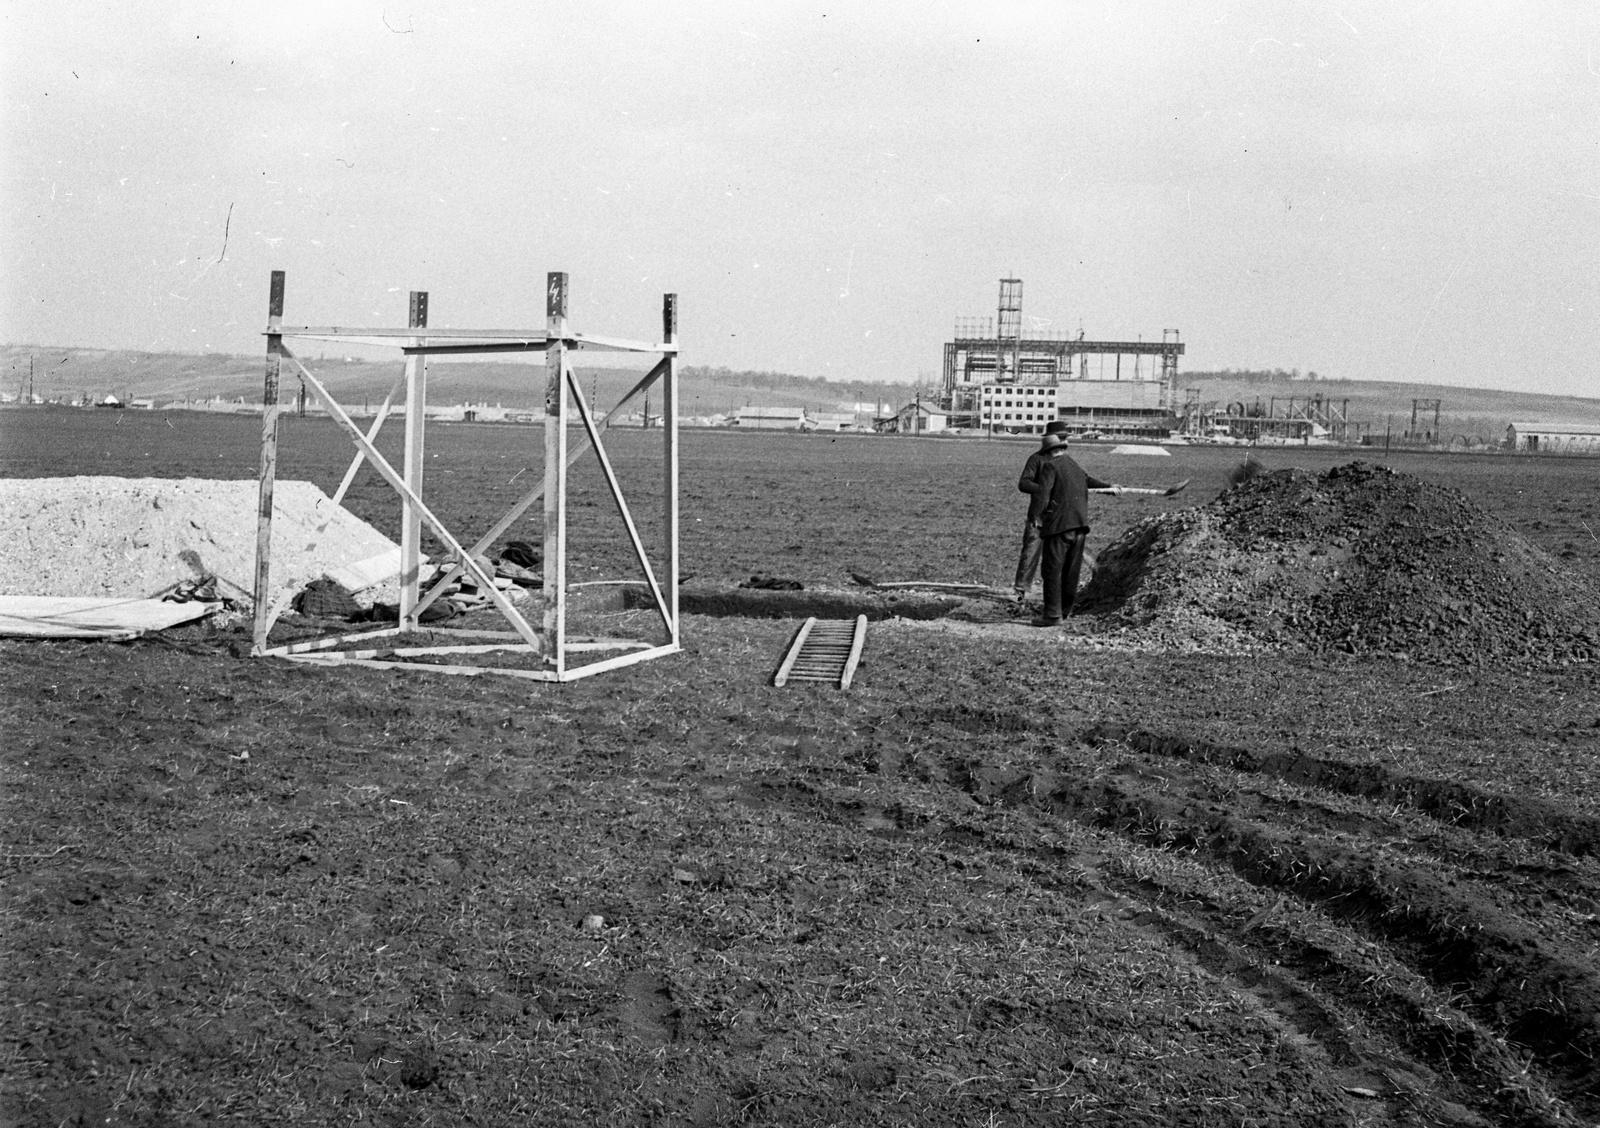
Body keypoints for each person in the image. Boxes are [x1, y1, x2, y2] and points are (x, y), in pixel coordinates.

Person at [1025, 433, 1118, 626]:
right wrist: (1109, 487)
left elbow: (1043, 494)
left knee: (1051, 570)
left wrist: (1036, 516)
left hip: (1059, 527)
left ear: (1048, 452)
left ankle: (1052, 615)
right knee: (1071, 571)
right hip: (1080, 526)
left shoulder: (1050, 466)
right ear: (1062, 448)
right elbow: (1089, 481)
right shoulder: (1074, 466)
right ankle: (1065, 611)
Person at [1012, 421, 1071, 601]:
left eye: (1064, 438)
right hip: (1039, 516)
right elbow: (1024, 483)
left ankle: (1056, 595)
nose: (1063, 442)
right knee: (1030, 552)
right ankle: (1021, 591)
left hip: (1060, 517)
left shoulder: (1065, 462)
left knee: (1059, 557)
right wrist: (1045, 488)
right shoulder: (1036, 460)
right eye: (1060, 438)